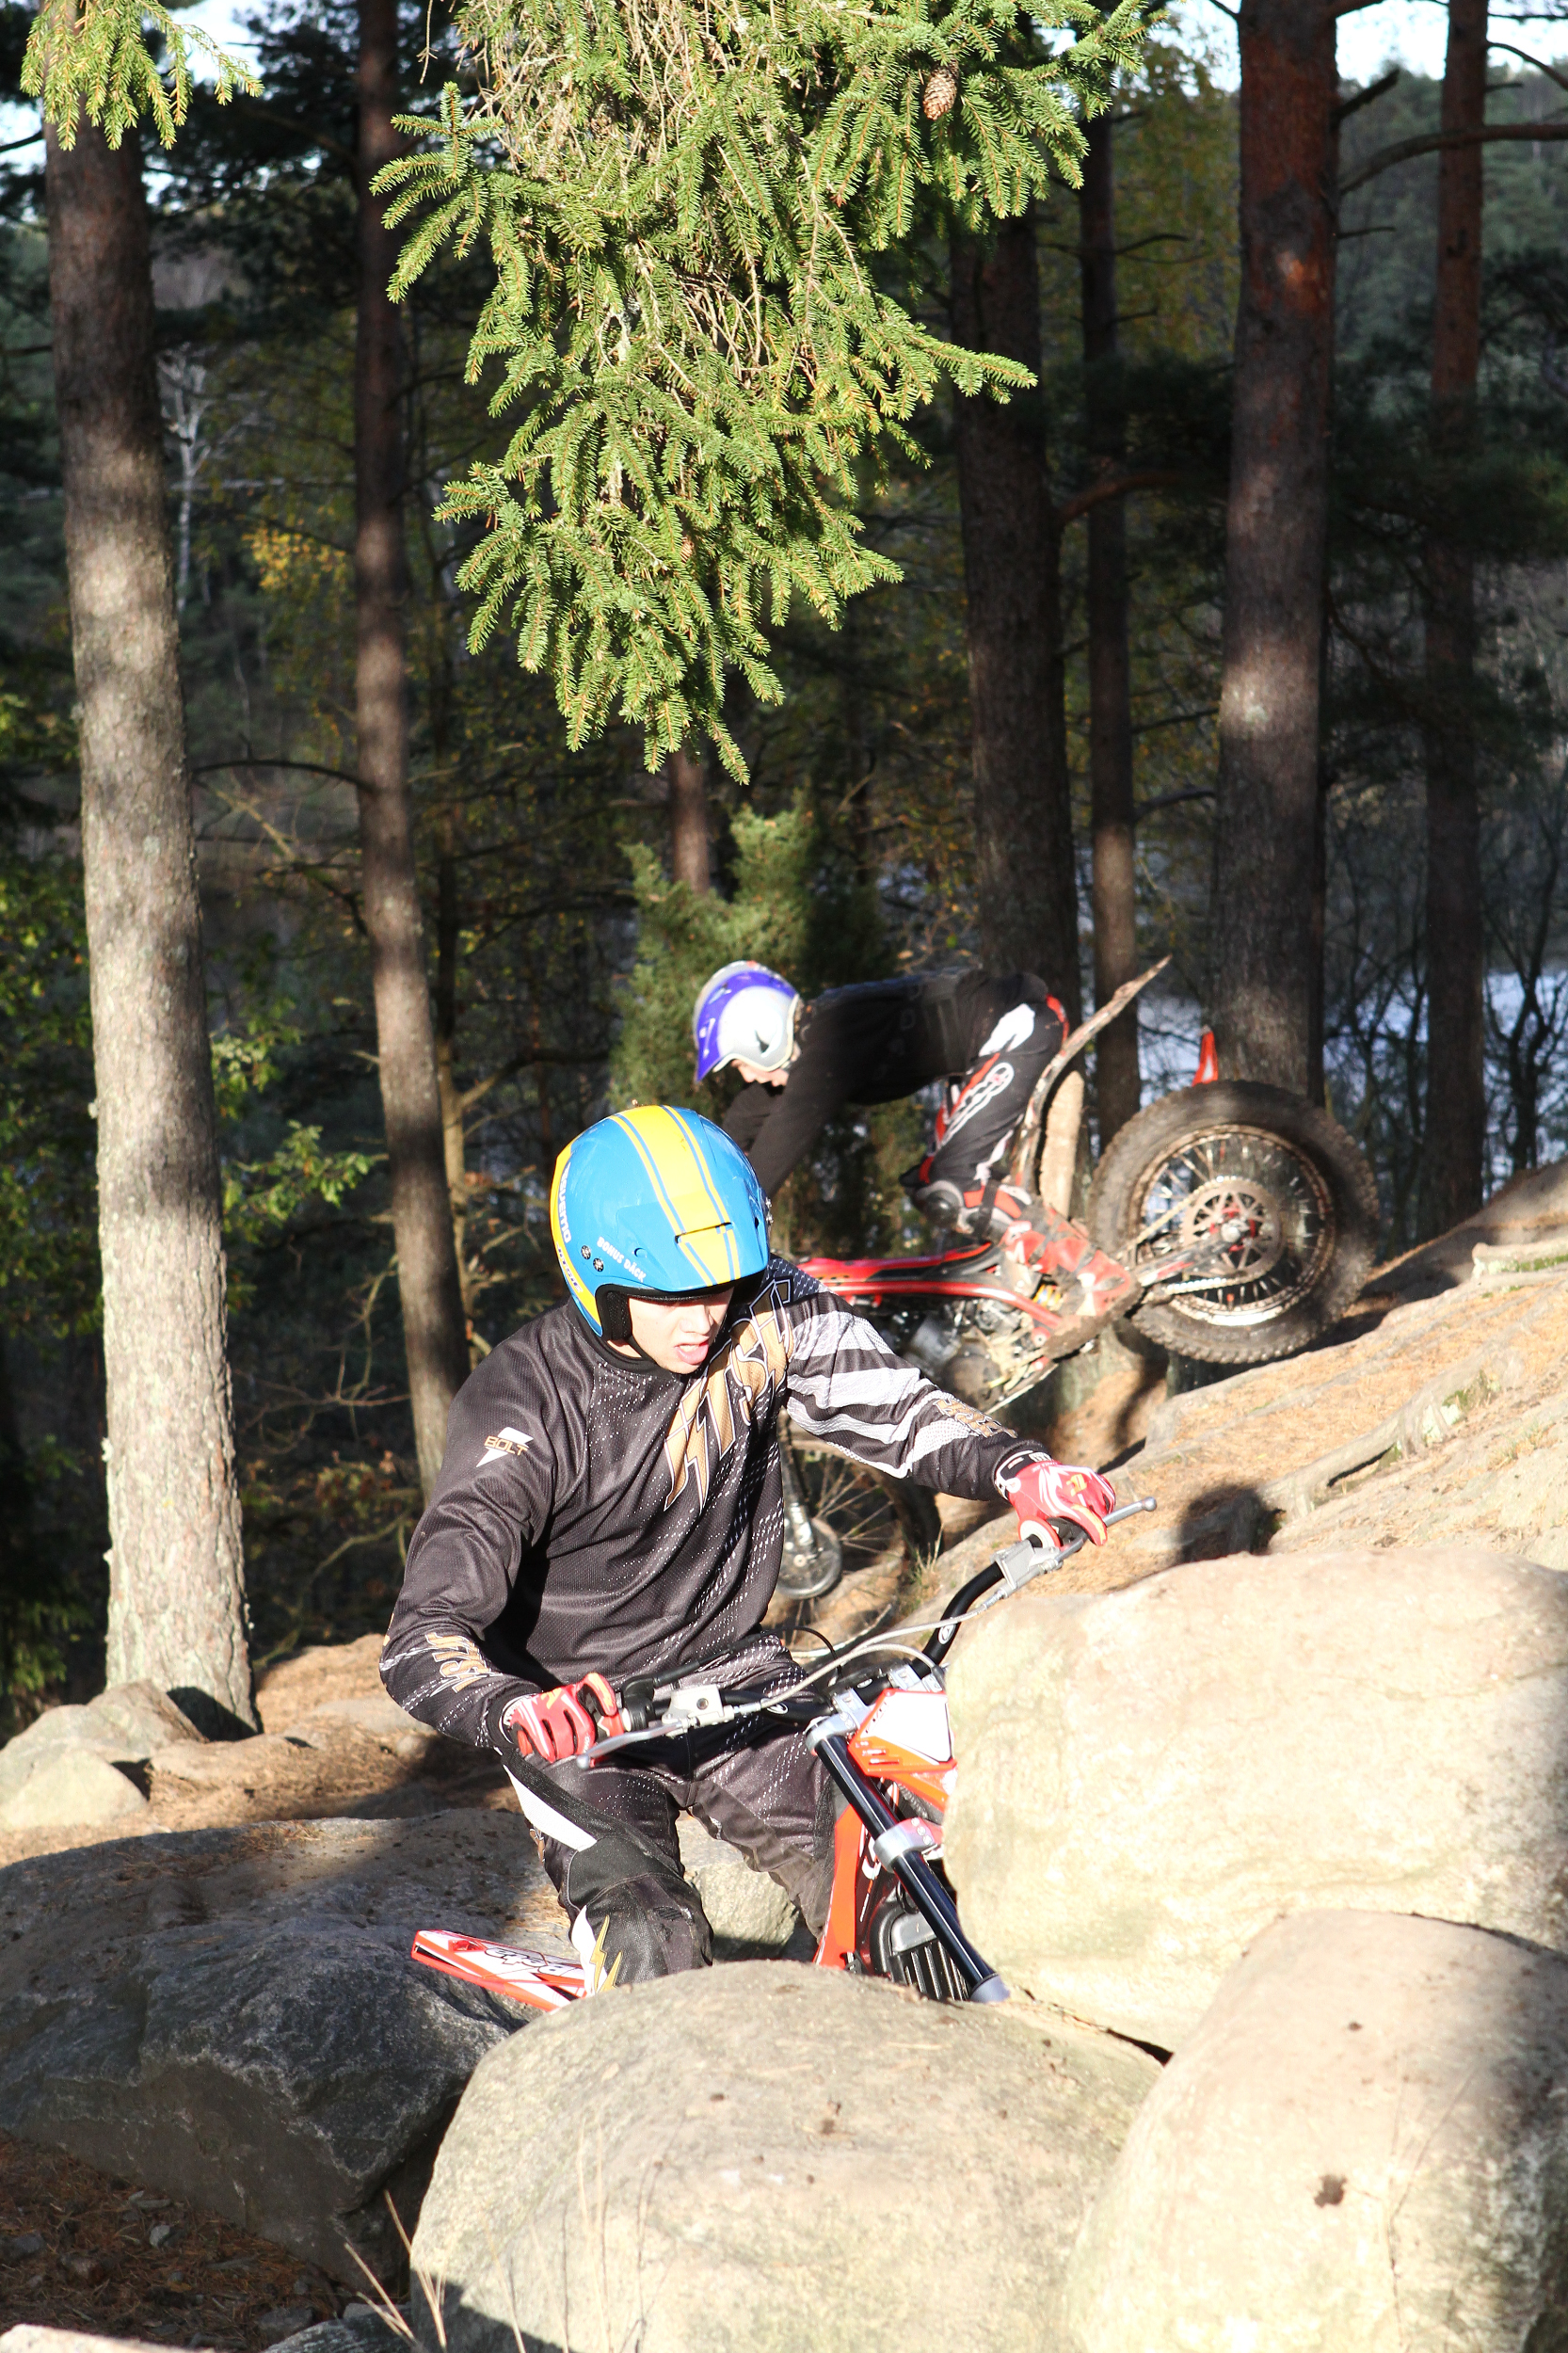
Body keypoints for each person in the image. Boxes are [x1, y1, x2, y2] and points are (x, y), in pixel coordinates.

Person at [379, 1104, 1115, 1987]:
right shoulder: (522, 1405)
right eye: (673, 1295)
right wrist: (514, 1709)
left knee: (905, 1892)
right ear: (598, 1278)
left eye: (723, 1285)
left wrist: (1020, 1469)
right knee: (652, 1943)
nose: (706, 1317)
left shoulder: (768, 1307)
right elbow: (422, 1635)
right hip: (579, 1717)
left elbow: (894, 1406)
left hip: (735, 1674)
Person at [692, 960, 1070, 1237]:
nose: (747, 1076)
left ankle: (1083, 1270)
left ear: (764, 1035)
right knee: (930, 1187)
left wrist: (728, 1224)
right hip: (985, 1049)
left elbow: (785, 1134)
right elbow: (744, 1118)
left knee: (953, 1189)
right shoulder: (815, 1039)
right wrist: (698, 1191)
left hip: (1019, 1026)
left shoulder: (831, 1040)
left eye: (741, 1064)